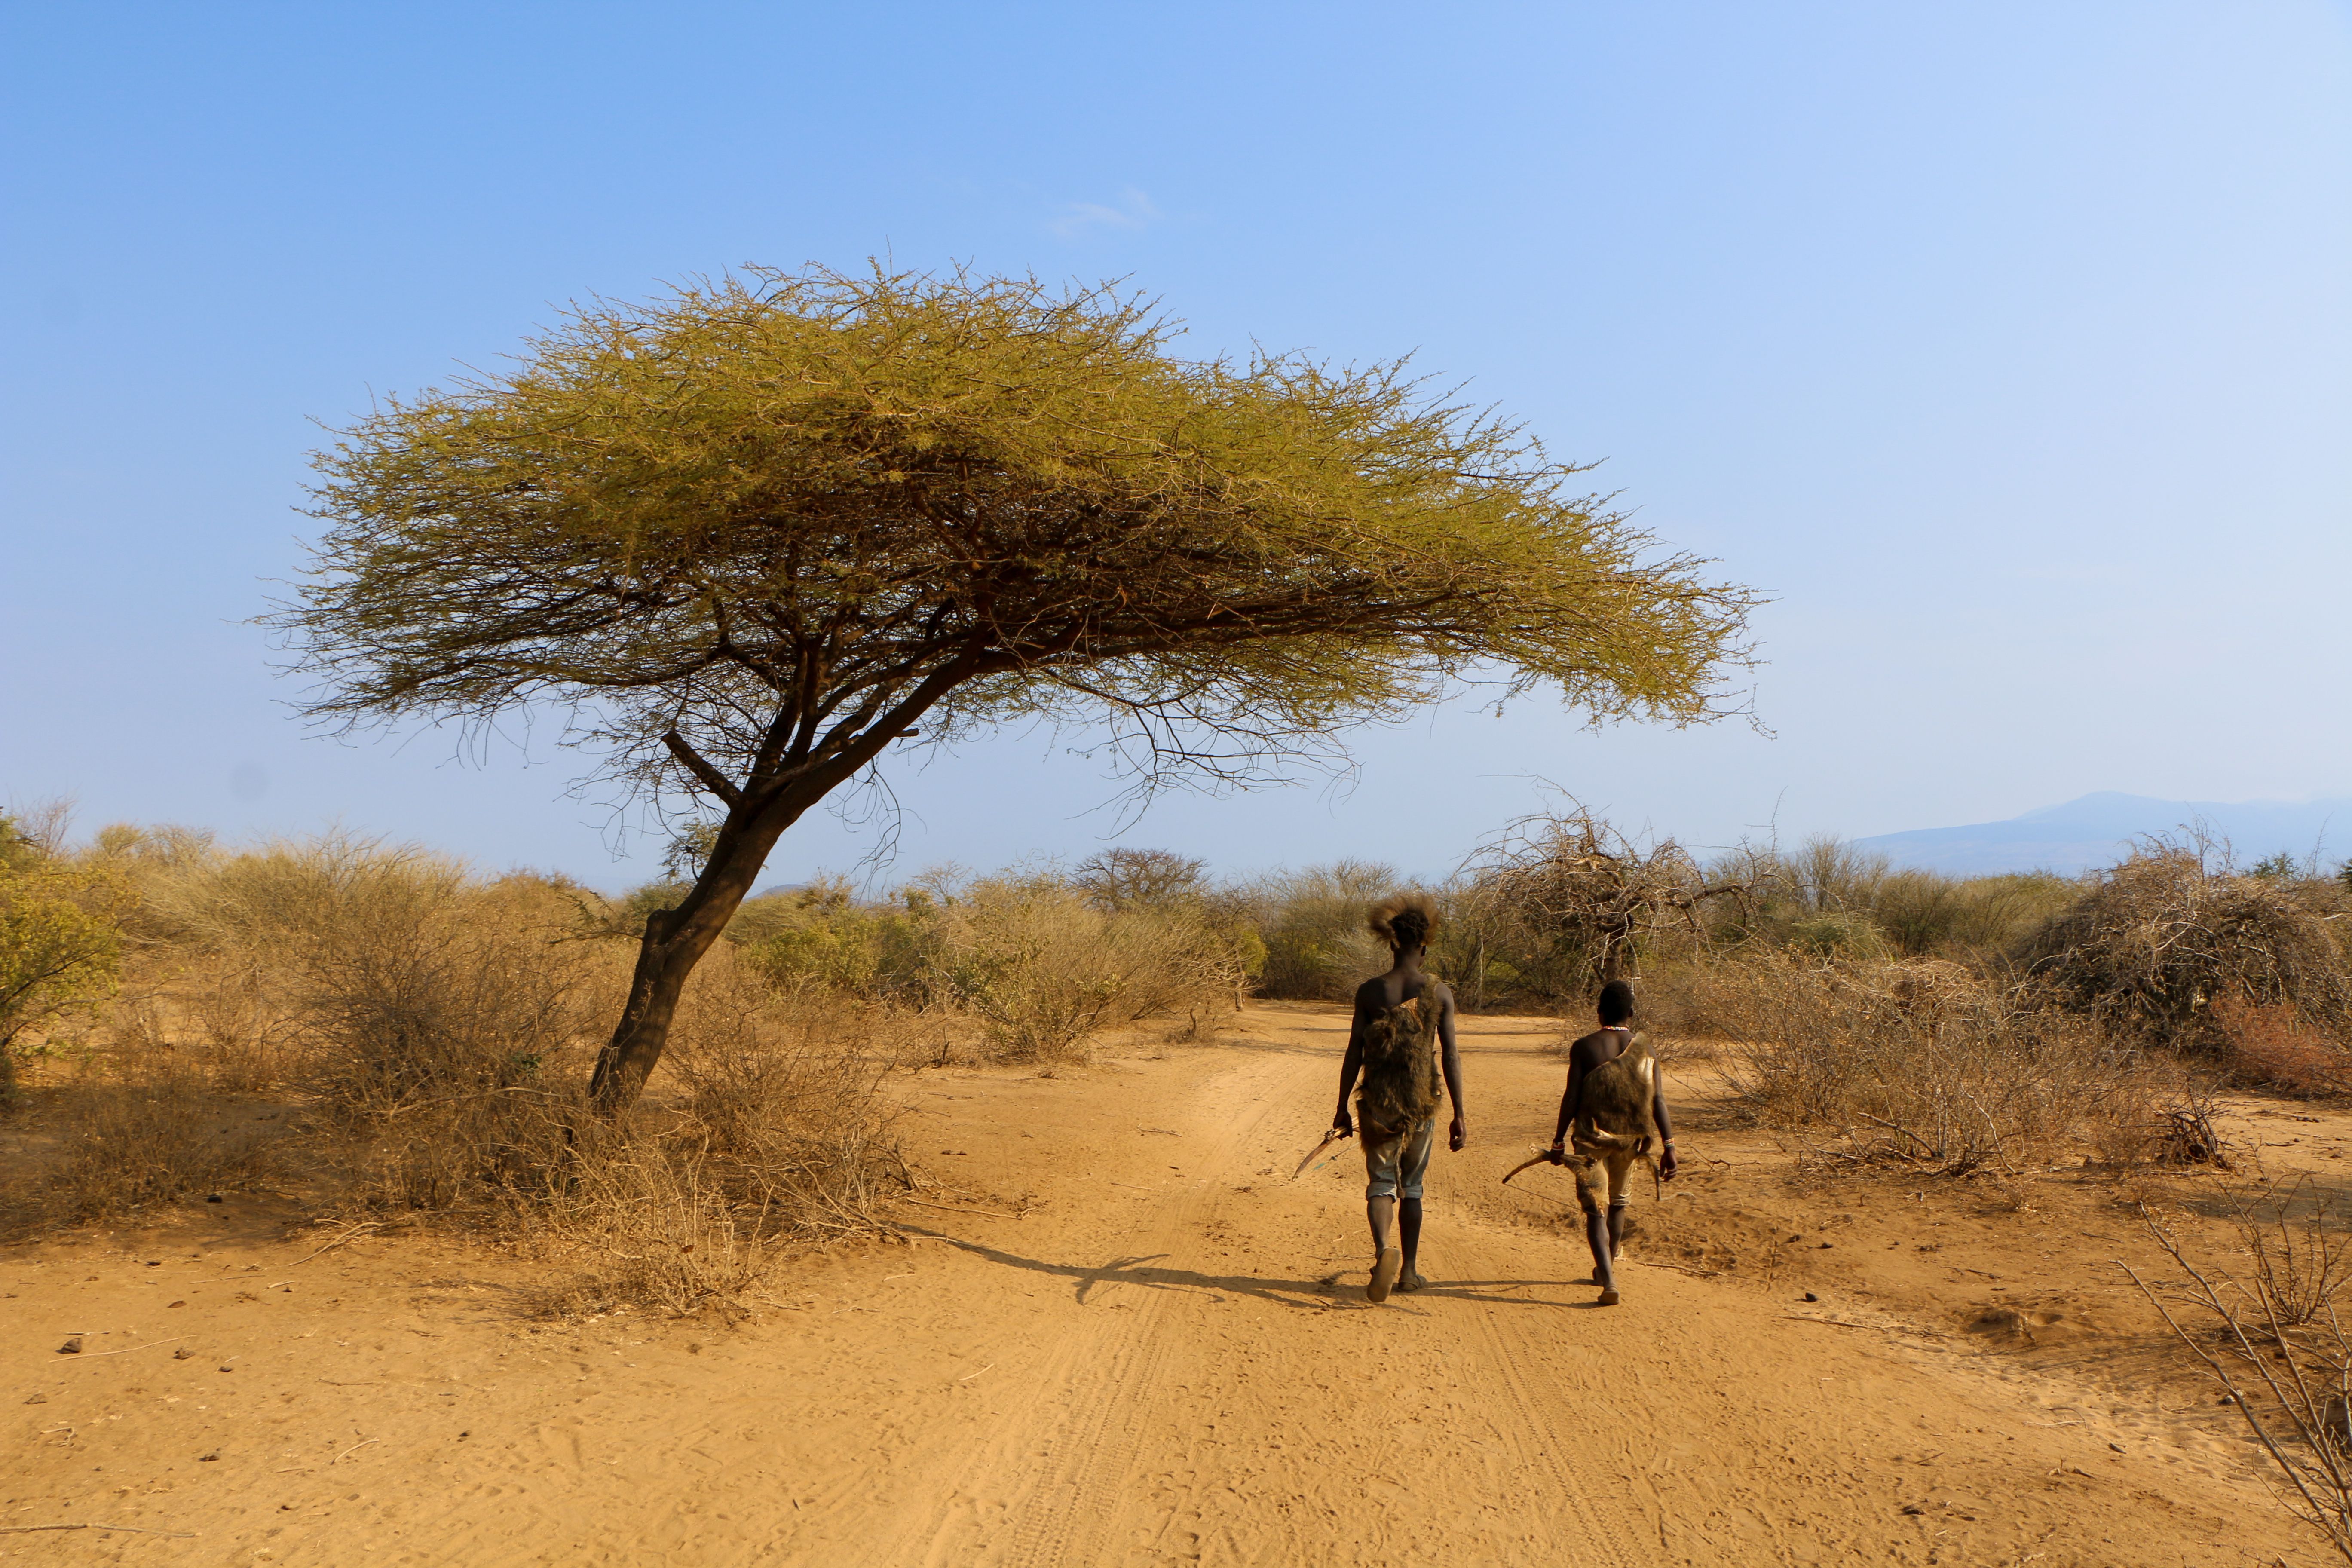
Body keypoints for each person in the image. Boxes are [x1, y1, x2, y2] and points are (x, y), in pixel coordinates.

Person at [1330, 896, 1466, 1303]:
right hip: (1422, 1102)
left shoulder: (1370, 991)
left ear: (1392, 944)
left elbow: (1355, 1051)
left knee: (1381, 1183)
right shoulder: (1439, 993)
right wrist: (1459, 1114)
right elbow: (1452, 1055)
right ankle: (1408, 1271)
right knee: (1414, 1187)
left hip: (1378, 1104)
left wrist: (1341, 1108)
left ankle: (1382, 1249)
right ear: (1423, 946)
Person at [1549, 979, 1678, 1305]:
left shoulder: (1585, 1047)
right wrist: (1670, 1145)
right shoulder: (1646, 1049)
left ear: (1599, 1013)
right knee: (1618, 1205)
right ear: (1632, 1013)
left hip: (1591, 1142)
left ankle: (1608, 1279)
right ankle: (1604, 1269)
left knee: (1595, 1210)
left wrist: (1558, 1139)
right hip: (1629, 1142)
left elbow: (1572, 1097)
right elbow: (1659, 1100)